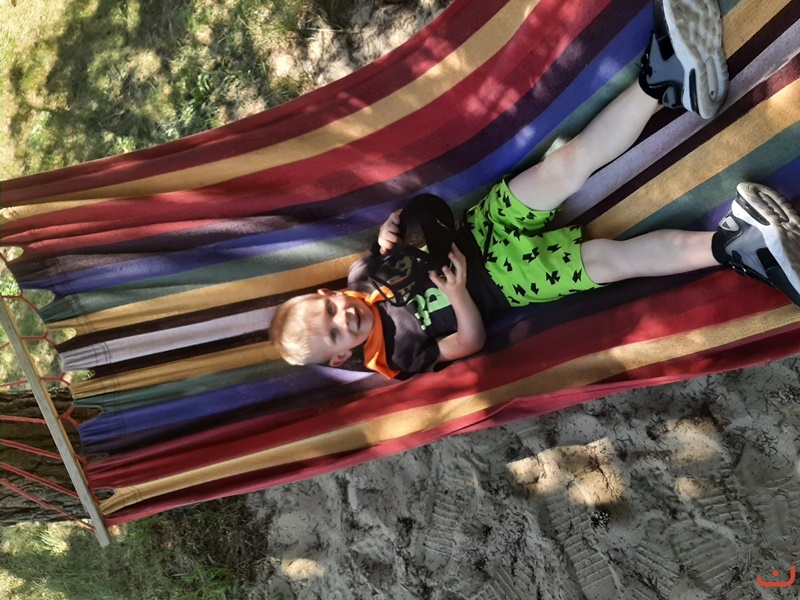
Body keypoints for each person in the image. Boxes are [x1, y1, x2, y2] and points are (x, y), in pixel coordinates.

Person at [271, 0, 800, 378]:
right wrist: (457, 294)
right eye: (336, 334)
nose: (344, 319)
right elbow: (468, 343)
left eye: (330, 311)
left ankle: (663, 81)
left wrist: (393, 227)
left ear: (327, 295)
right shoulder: (396, 358)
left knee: (565, 165)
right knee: (612, 262)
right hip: (511, 282)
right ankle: (735, 244)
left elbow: (406, 230)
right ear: (340, 356)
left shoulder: (361, 274)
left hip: (482, 226)